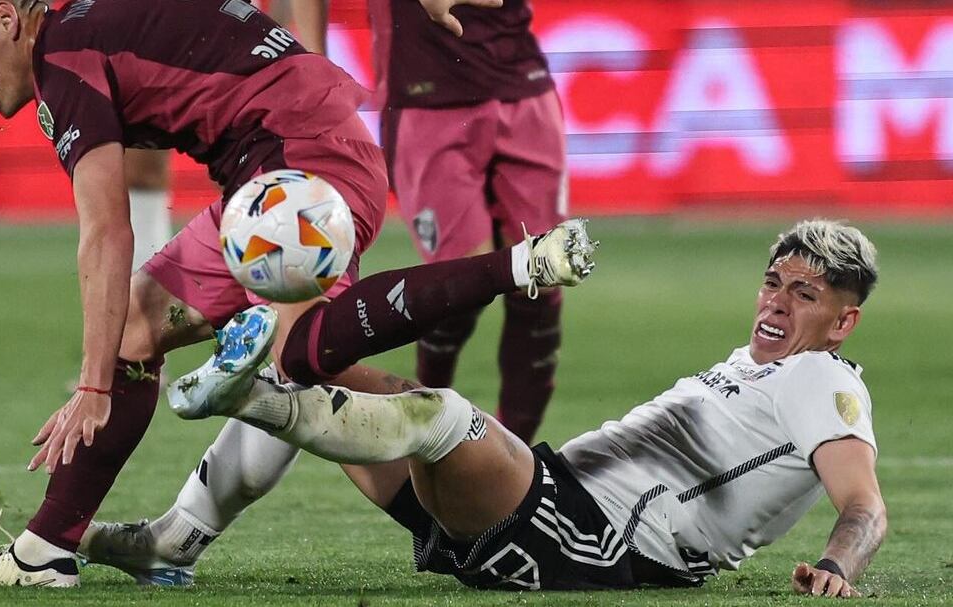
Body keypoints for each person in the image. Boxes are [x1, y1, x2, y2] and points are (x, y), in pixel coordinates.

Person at [0, 0, 592, 587]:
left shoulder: (62, 56)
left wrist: (95, 387)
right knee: (260, 361)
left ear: (8, 19)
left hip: (296, 161)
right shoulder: (91, 26)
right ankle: (79, 544)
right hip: (301, 152)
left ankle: (62, 548)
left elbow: (104, 229)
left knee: (289, 367)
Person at [98, 219, 888, 596]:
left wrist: (835, 567)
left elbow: (865, 505)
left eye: (805, 293)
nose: (777, 303)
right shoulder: (753, 366)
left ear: (843, 320)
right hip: (546, 503)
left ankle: (256, 399)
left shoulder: (821, 381)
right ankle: (176, 536)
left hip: (601, 543)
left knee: (439, 414)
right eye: (774, 282)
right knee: (334, 371)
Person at [293, 0, 569, 444]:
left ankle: (518, 463)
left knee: (543, 279)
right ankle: (435, 430)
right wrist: (312, 63)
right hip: (425, 94)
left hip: (524, 84)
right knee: (467, 279)